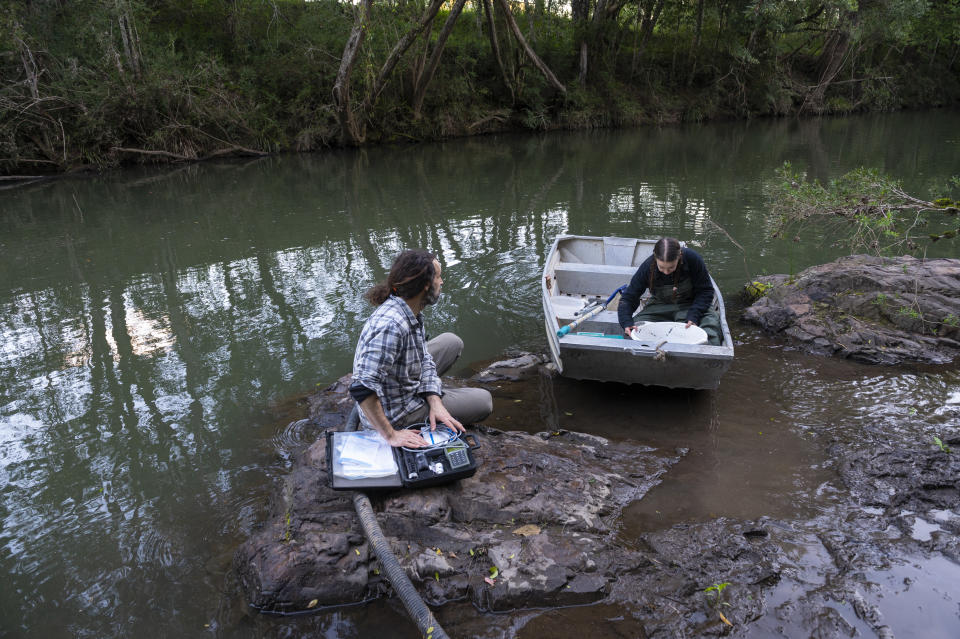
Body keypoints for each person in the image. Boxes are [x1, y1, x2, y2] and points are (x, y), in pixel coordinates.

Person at [350, 249, 493, 448]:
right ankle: (400, 421)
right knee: (484, 401)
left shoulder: (409, 307)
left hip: (401, 385)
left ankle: (431, 398)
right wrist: (391, 435)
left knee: (451, 342)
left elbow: (424, 357)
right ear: (425, 286)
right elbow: (361, 388)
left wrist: (435, 401)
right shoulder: (391, 325)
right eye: (438, 277)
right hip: (396, 414)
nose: (442, 282)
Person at [618, 237, 723, 346]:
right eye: (661, 267)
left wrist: (694, 315)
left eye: (671, 267)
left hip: (691, 304)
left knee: (710, 330)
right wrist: (626, 322)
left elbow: (705, 291)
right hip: (659, 306)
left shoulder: (692, 259)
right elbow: (629, 297)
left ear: (679, 256)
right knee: (634, 332)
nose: (666, 272)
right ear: (655, 258)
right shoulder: (647, 267)